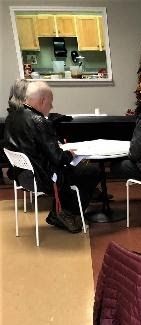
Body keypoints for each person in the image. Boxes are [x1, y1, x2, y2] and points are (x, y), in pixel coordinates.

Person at [3, 81, 101, 233]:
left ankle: (61, 211)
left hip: (22, 175)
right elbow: (58, 159)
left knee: (79, 171)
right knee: (92, 170)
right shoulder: (40, 121)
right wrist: (69, 153)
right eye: (50, 102)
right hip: (41, 178)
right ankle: (67, 213)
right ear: (42, 101)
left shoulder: (12, 117)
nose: (52, 106)